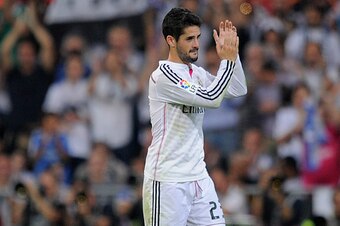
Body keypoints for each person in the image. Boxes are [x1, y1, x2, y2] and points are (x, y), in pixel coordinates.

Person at [142, 7, 247, 226]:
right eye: (189, 38)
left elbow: (238, 89)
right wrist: (225, 62)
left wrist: (232, 56)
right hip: (168, 180)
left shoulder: (195, 72)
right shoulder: (163, 77)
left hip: (198, 177)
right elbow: (212, 98)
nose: (197, 44)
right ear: (171, 40)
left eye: (198, 37)